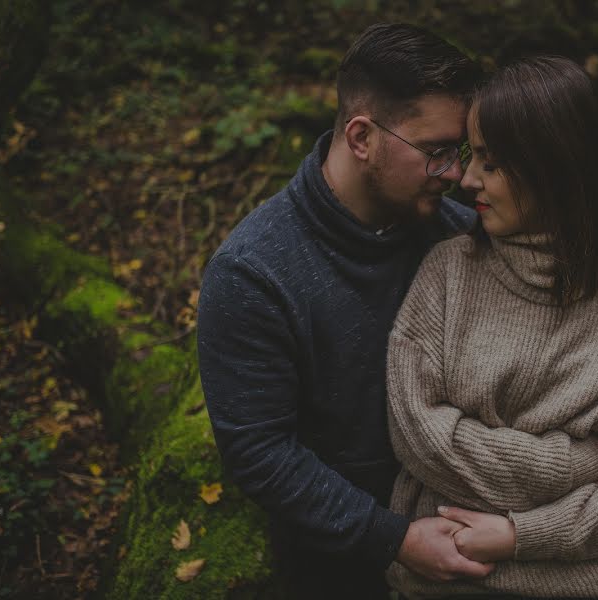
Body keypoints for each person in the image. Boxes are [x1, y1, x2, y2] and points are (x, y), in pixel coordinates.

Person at [385, 56, 598, 599]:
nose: (466, 178)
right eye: (470, 154)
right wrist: (578, 461)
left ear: (557, 167)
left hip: (596, 587)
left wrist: (519, 535)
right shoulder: (447, 273)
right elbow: (417, 434)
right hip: (446, 577)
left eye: (492, 161)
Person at [196, 23, 495, 598]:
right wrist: (395, 539)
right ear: (362, 138)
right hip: (333, 566)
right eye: (435, 152)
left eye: (458, 153)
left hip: (477, 544)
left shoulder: (461, 236)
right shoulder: (253, 272)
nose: (455, 174)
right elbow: (260, 453)